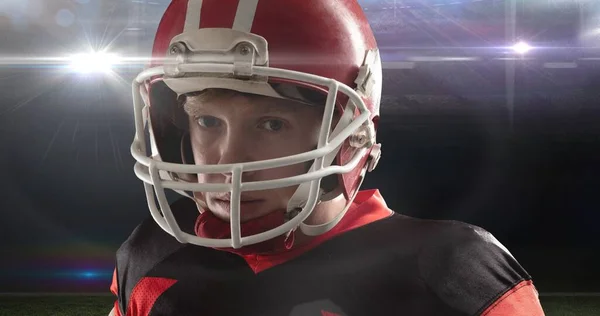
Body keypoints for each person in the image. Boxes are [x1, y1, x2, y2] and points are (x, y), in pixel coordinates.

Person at [110, 0, 546, 315]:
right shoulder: (153, 253)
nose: (229, 158)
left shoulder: (452, 269)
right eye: (207, 122)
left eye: (271, 124)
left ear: (349, 134)